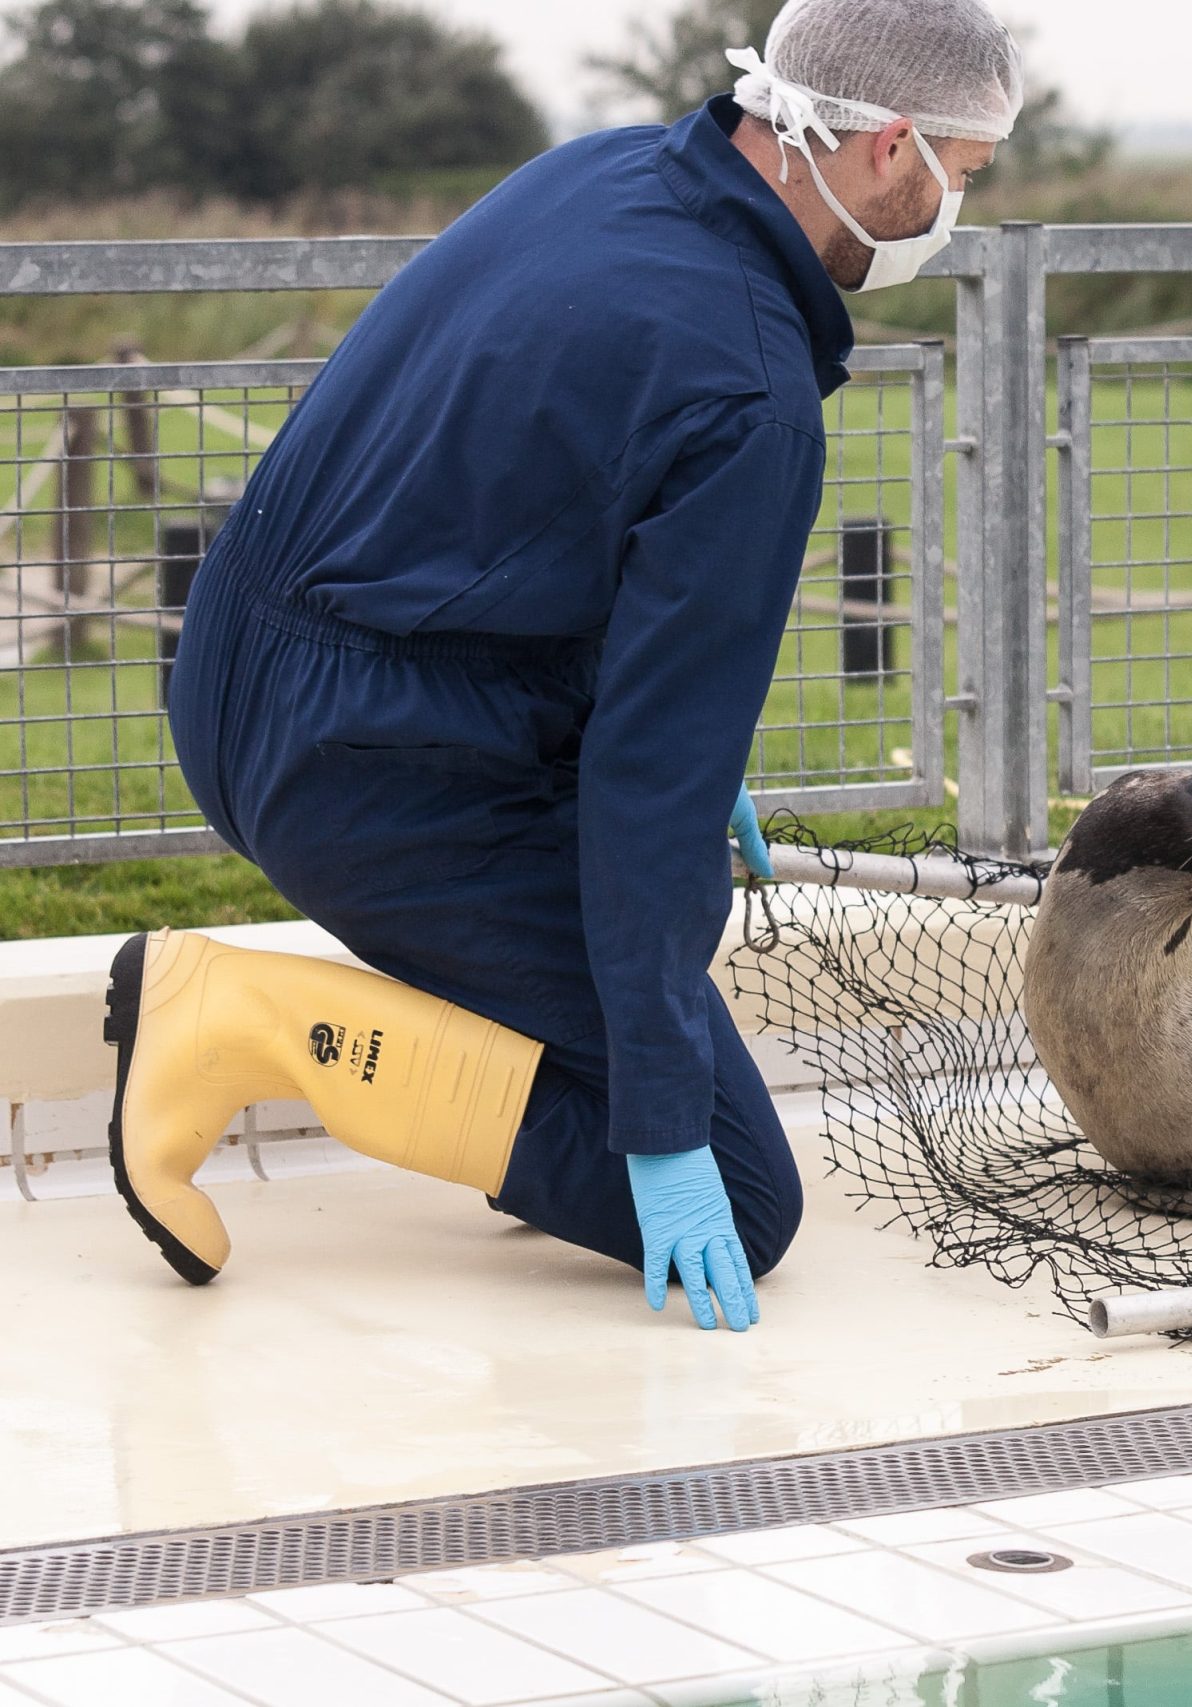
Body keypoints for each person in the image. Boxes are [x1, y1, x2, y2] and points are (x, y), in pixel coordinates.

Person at [111, 0, 1022, 1331]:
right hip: (366, 768)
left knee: (609, 1012)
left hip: (239, 674)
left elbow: (504, 503)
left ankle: (440, 1061)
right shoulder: (752, 391)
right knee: (747, 1189)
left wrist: (651, 735)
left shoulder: (601, 173)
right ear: (892, 147)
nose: (953, 209)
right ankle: (235, 1017)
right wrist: (655, 1124)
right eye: (966, 174)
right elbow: (648, 790)